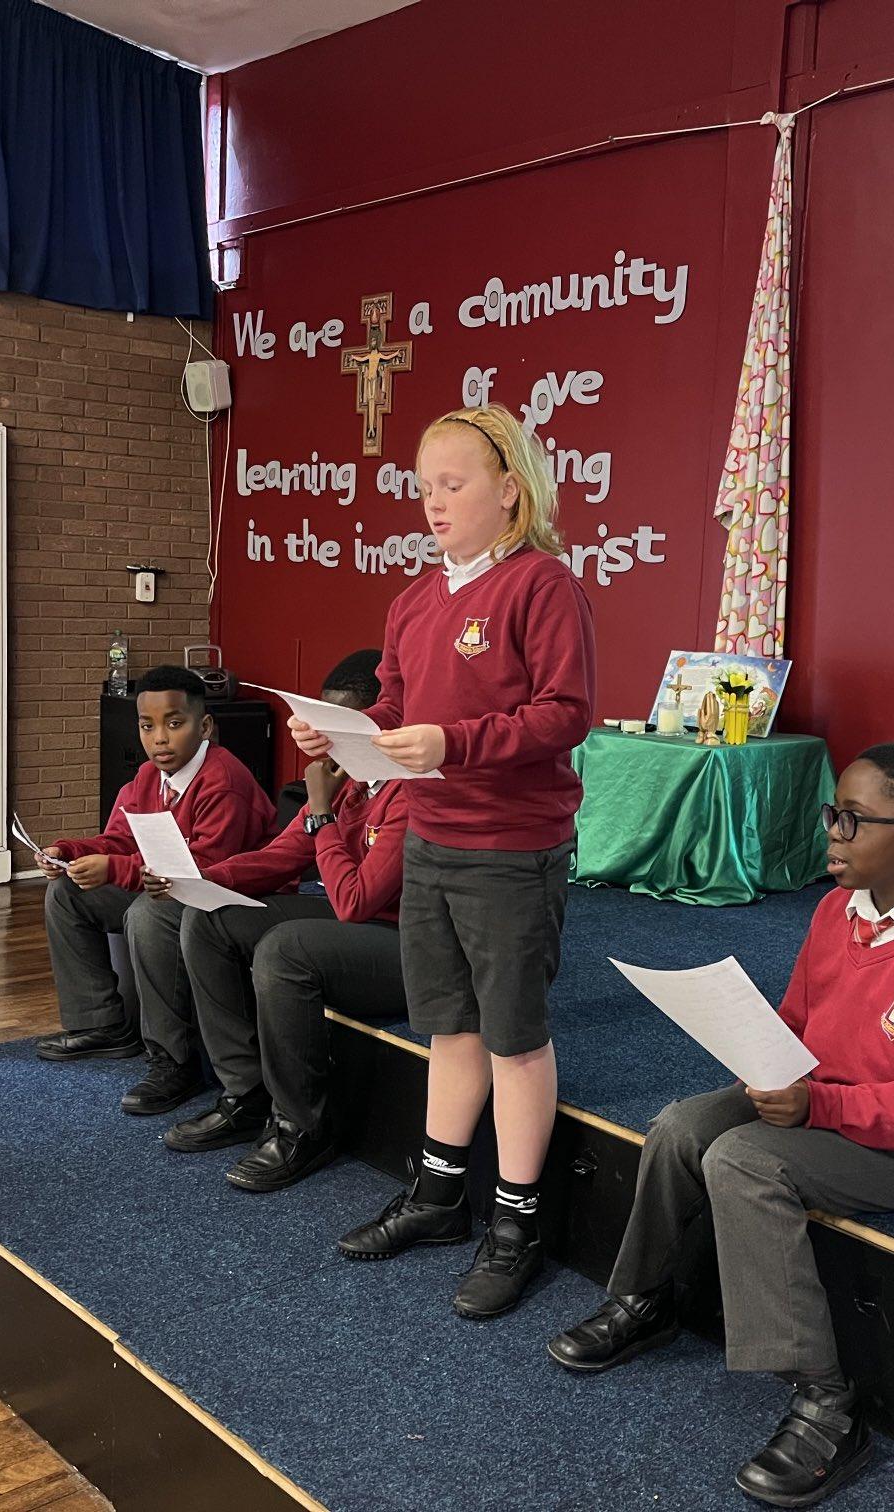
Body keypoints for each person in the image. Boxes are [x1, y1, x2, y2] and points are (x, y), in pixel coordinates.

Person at [546, 743, 894, 1508]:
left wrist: (820, 1108)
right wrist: (757, 1052)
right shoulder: (838, 909)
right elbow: (798, 1022)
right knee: (679, 1126)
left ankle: (827, 1402)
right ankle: (644, 1299)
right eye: (832, 814)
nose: (832, 833)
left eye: (853, 820)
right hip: (822, 1100)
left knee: (742, 1159)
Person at [290, 404, 595, 1320]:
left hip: (511, 848)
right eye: (424, 487)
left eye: (452, 485)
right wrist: (341, 732)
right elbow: (392, 707)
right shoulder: (414, 601)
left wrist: (452, 742)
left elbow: (565, 714)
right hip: (430, 838)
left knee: (514, 1038)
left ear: (510, 491)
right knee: (451, 1029)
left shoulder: (543, 584)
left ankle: (517, 1223)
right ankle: (437, 1196)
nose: (432, 502)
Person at [161, 650, 410, 1192]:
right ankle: (245, 1094)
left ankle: (302, 1126)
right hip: (356, 922)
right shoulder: (349, 780)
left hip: (408, 945)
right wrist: (200, 881)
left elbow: (355, 901)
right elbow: (281, 855)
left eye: (339, 730)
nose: (325, 742)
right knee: (211, 919)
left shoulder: (409, 790)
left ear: (381, 725)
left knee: (285, 948)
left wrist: (321, 814)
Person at [34, 666, 276, 1121]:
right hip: (164, 886)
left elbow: (203, 872)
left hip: (225, 899)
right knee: (68, 890)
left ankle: (175, 1060)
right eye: (147, 726)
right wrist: (68, 852)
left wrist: (114, 869)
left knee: (148, 913)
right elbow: (120, 839)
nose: (159, 738)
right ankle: (101, 1024)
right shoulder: (147, 777)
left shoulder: (224, 781)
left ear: (205, 727)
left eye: (174, 723)